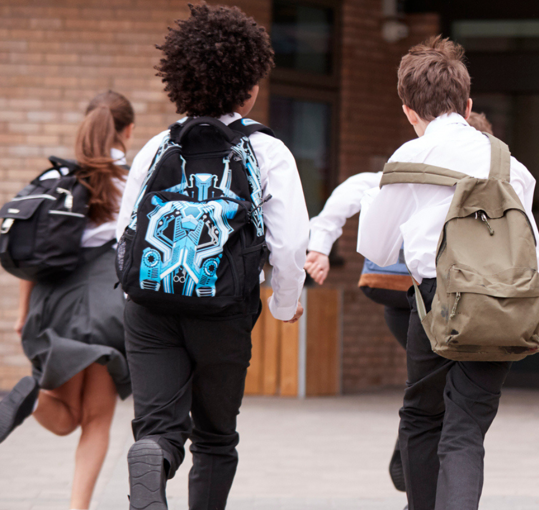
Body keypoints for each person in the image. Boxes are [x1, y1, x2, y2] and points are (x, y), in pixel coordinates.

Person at [114, 5, 309, 509]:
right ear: (249, 86)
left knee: (158, 424)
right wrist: (286, 304)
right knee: (216, 436)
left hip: (150, 306)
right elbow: (288, 245)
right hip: (223, 305)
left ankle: (153, 454)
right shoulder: (267, 151)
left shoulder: (159, 147)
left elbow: (126, 234)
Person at [357, 36, 539, 510]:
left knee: (422, 417)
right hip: (500, 301)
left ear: (408, 110)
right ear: (468, 103)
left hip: (435, 301)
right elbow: (531, 248)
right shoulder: (508, 163)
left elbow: (375, 248)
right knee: (466, 429)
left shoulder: (407, 159)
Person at [303, 112, 495, 498]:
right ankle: (416, 451)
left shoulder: (420, 158)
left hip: (412, 297)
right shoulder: (498, 171)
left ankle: (412, 451)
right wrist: (320, 246)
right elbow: (358, 189)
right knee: (448, 407)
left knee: (430, 398)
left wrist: (321, 247)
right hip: (428, 299)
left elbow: (357, 195)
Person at [0, 90, 136, 510]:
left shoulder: (59, 179)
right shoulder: (133, 180)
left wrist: (24, 315)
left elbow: (34, 257)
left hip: (53, 301)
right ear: (127, 131)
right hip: (108, 307)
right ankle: (78, 508)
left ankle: (30, 395)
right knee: (95, 419)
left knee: (62, 415)